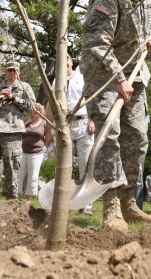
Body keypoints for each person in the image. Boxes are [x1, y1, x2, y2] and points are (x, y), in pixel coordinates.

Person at [80, 0, 151, 230]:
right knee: (109, 138)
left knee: (137, 137)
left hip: (135, 77)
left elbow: (142, 31)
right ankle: (111, 207)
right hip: (104, 75)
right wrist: (118, 79)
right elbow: (95, 44)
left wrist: (148, 40)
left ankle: (129, 202)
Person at [0, 62, 36, 204]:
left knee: (11, 165)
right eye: (9, 70)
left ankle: (11, 200)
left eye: (15, 70)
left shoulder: (24, 87)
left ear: (18, 72)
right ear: (6, 72)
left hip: (13, 131)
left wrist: (13, 98)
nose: (12, 73)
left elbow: (32, 106)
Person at [44, 54, 96, 215]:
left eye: (66, 57)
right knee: (62, 166)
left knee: (85, 165)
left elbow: (92, 99)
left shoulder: (82, 77)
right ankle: (60, 202)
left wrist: (93, 120)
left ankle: (86, 204)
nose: (63, 60)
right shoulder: (55, 82)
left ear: (71, 61)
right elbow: (51, 107)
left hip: (83, 123)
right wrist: (47, 130)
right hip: (64, 125)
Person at [18, 103, 48, 204]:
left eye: (37, 110)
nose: (34, 111)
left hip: (36, 153)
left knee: (33, 176)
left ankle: (29, 199)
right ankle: (17, 197)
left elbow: (48, 137)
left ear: (41, 112)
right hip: (22, 152)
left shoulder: (44, 123)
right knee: (19, 174)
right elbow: (18, 133)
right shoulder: (27, 122)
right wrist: (25, 123)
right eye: (33, 110)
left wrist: (46, 144)